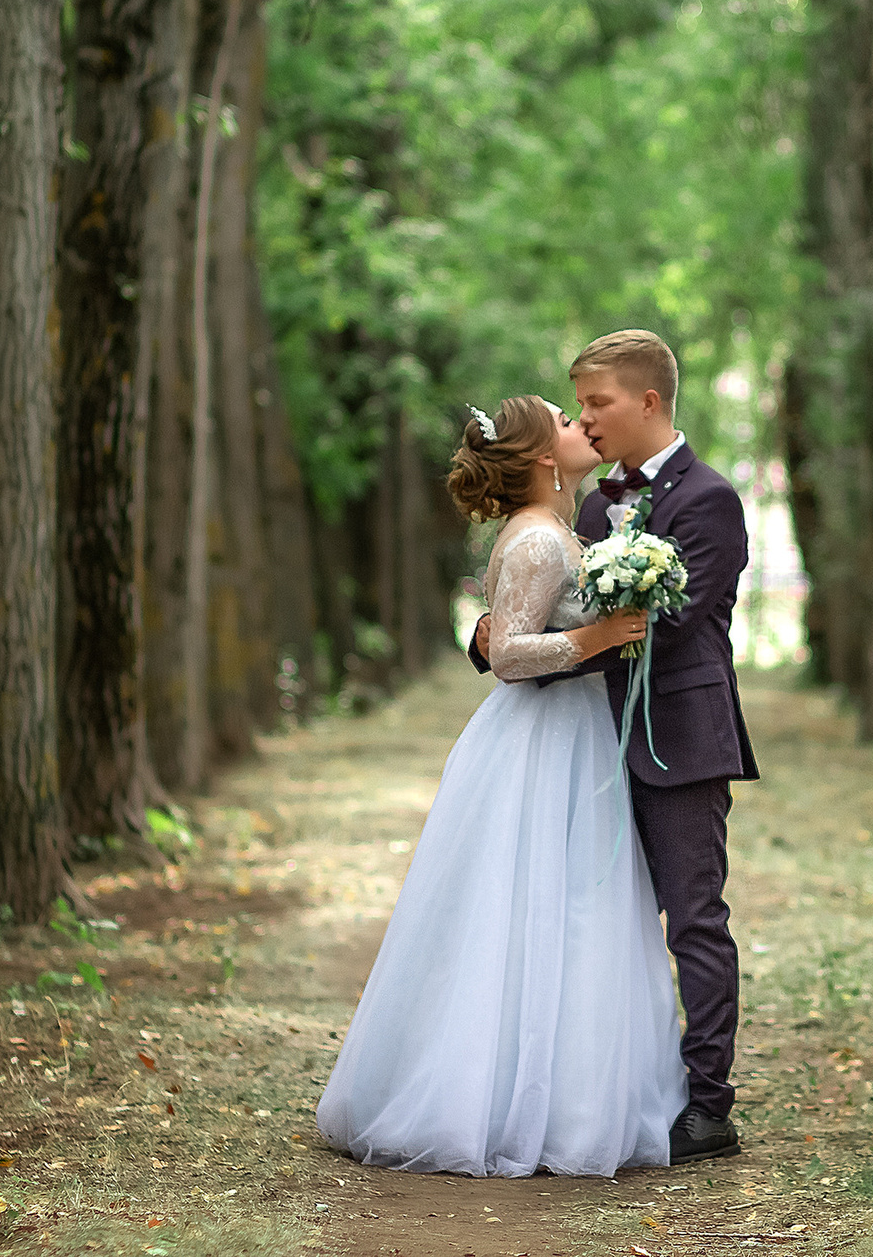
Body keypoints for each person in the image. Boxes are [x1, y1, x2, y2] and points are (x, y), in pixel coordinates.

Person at [317, 396, 682, 1177]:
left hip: (576, 733)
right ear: (544, 458)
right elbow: (511, 652)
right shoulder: (540, 540)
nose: (580, 422)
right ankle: (492, 1099)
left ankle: (567, 1098)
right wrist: (600, 635)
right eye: (563, 416)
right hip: (540, 742)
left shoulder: (561, 529)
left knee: (574, 911)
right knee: (529, 907)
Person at [469, 329, 756, 1162]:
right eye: (580, 406)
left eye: (597, 403)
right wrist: (495, 641)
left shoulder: (710, 499)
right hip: (585, 748)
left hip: (679, 740)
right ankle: (581, 1092)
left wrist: (550, 647)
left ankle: (708, 1105)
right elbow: (560, 607)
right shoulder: (592, 508)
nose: (588, 420)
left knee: (693, 920)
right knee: (588, 920)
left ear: (648, 402)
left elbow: (675, 621)